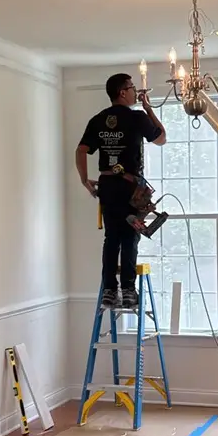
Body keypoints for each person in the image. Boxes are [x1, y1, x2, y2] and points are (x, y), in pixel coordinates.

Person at [76, 73, 166, 310]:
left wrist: (85, 180)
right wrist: (149, 110)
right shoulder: (137, 117)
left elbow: (81, 150)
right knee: (130, 237)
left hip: (108, 187)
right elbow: (161, 138)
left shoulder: (98, 119)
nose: (136, 91)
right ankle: (127, 290)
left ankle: (108, 290)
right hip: (129, 189)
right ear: (122, 92)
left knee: (112, 238)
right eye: (132, 87)